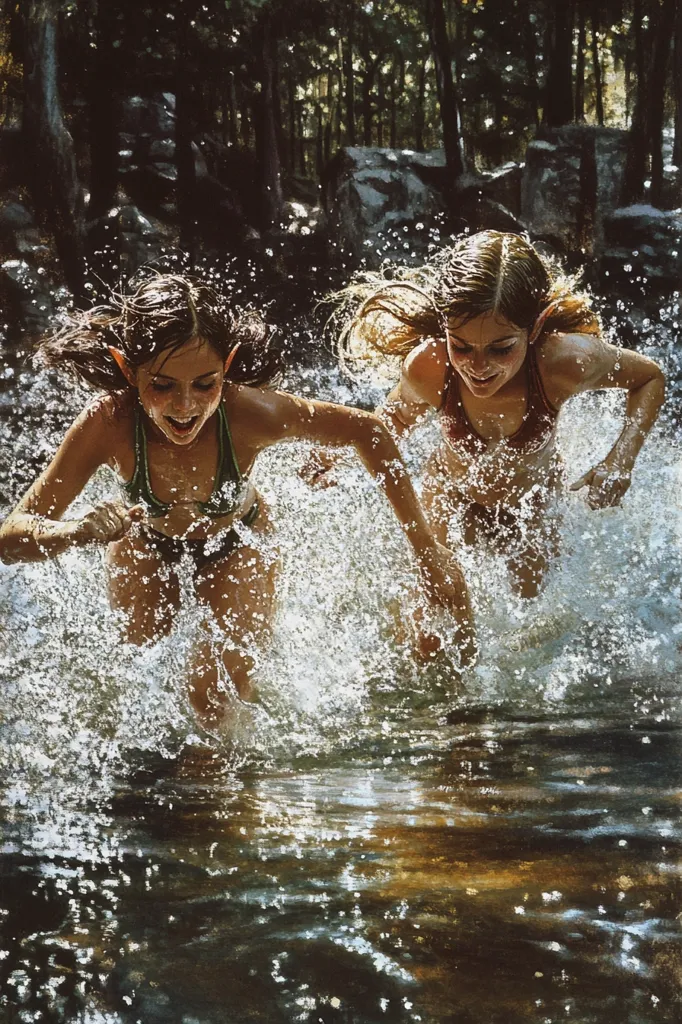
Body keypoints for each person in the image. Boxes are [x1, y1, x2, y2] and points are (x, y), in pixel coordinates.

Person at [0, 272, 474, 725]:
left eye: (204, 384)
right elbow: (11, 535)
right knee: (141, 687)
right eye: (162, 386)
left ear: (226, 366)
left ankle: (231, 778)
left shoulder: (250, 413)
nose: (185, 406)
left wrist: (425, 550)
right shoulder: (108, 423)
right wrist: (74, 532)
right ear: (128, 369)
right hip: (145, 546)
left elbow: (367, 431)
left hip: (238, 544)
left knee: (214, 698)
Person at [304, 231, 665, 600]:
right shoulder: (430, 366)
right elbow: (393, 423)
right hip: (451, 493)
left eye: (501, 348)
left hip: (533, 500)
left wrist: (621, 460)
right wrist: (339, 459)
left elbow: (649, 378)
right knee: (433, 609)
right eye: (461, 346)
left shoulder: (563, 363)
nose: (477, 367)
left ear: (534, 327)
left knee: (534, 616)